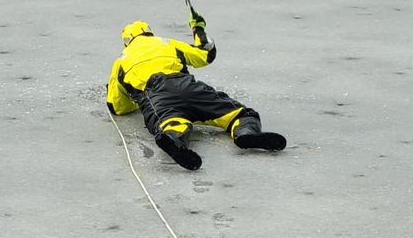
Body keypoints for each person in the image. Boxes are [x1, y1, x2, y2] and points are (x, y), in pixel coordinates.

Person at [106, 9, 287, 171]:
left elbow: (117, 107)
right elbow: (206, 53)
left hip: (156, 96)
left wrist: (136, 101)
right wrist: (198, 27)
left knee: (171, 123)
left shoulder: (121, 61)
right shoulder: (166, 43)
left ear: (126, 42)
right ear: (149, 31)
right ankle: (246, 133)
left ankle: (174, 138)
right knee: (239, 114)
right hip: (187, 85)